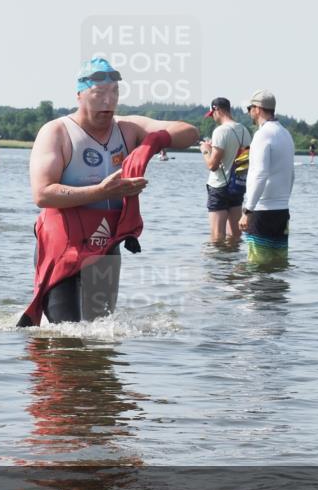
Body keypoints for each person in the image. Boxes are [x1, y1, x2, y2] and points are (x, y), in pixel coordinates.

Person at [17, 58, 199, 326]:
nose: (108, 101)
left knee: (99, 333)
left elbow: (189, 132)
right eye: (99, 94)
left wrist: (154, 142)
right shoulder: (56, 132)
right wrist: (101, 191)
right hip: (62, 245)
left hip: (105, 245)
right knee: (64, 335)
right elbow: (42, 194)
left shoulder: (127, 129)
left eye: (114, 92)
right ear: (79, 95)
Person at [238, 90, 295, 266]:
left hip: (263, 210)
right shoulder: (285, 134)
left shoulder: (262, 135)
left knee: (257, 266)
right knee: (278, 264)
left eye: (250, 108)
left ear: (258, 109)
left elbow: (259, 174)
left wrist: (248, 210)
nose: (248, 113)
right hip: (282, 210)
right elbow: (291, 174)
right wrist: (284, 201)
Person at [200, 97, 251, 244]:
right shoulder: (244, 131)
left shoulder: (220, 131)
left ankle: (218, 267)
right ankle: (232, 264)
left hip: (219, 187)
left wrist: (205, 150)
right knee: (235, 236)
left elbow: (212, 165)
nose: (213, 117)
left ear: (217, 110)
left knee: (217, 237)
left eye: (212, 114)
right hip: (238, 186)